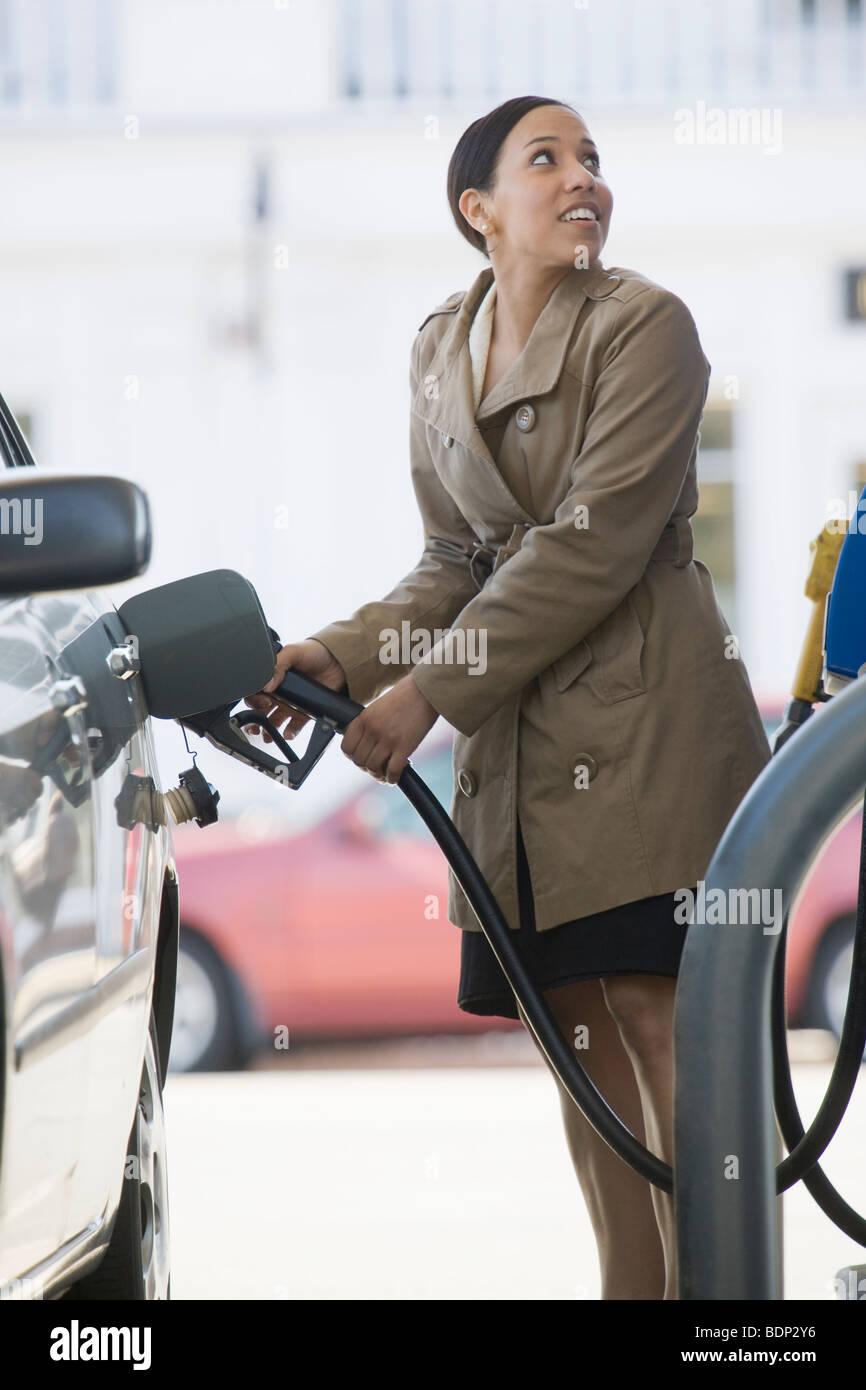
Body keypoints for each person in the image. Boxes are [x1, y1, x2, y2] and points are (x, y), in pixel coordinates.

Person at [243, 96, 772, 1300]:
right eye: (549, 159)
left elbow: (585, 549)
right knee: (579, 1058)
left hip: (647, 741)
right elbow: (453, 561)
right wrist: (340, 654)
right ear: (477, 208)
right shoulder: (439, 349)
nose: (583, 177)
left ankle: (730, 1323)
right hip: (526, 776)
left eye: (592, 159)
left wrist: (427, 691)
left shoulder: (643, 327)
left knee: (663, 1034)